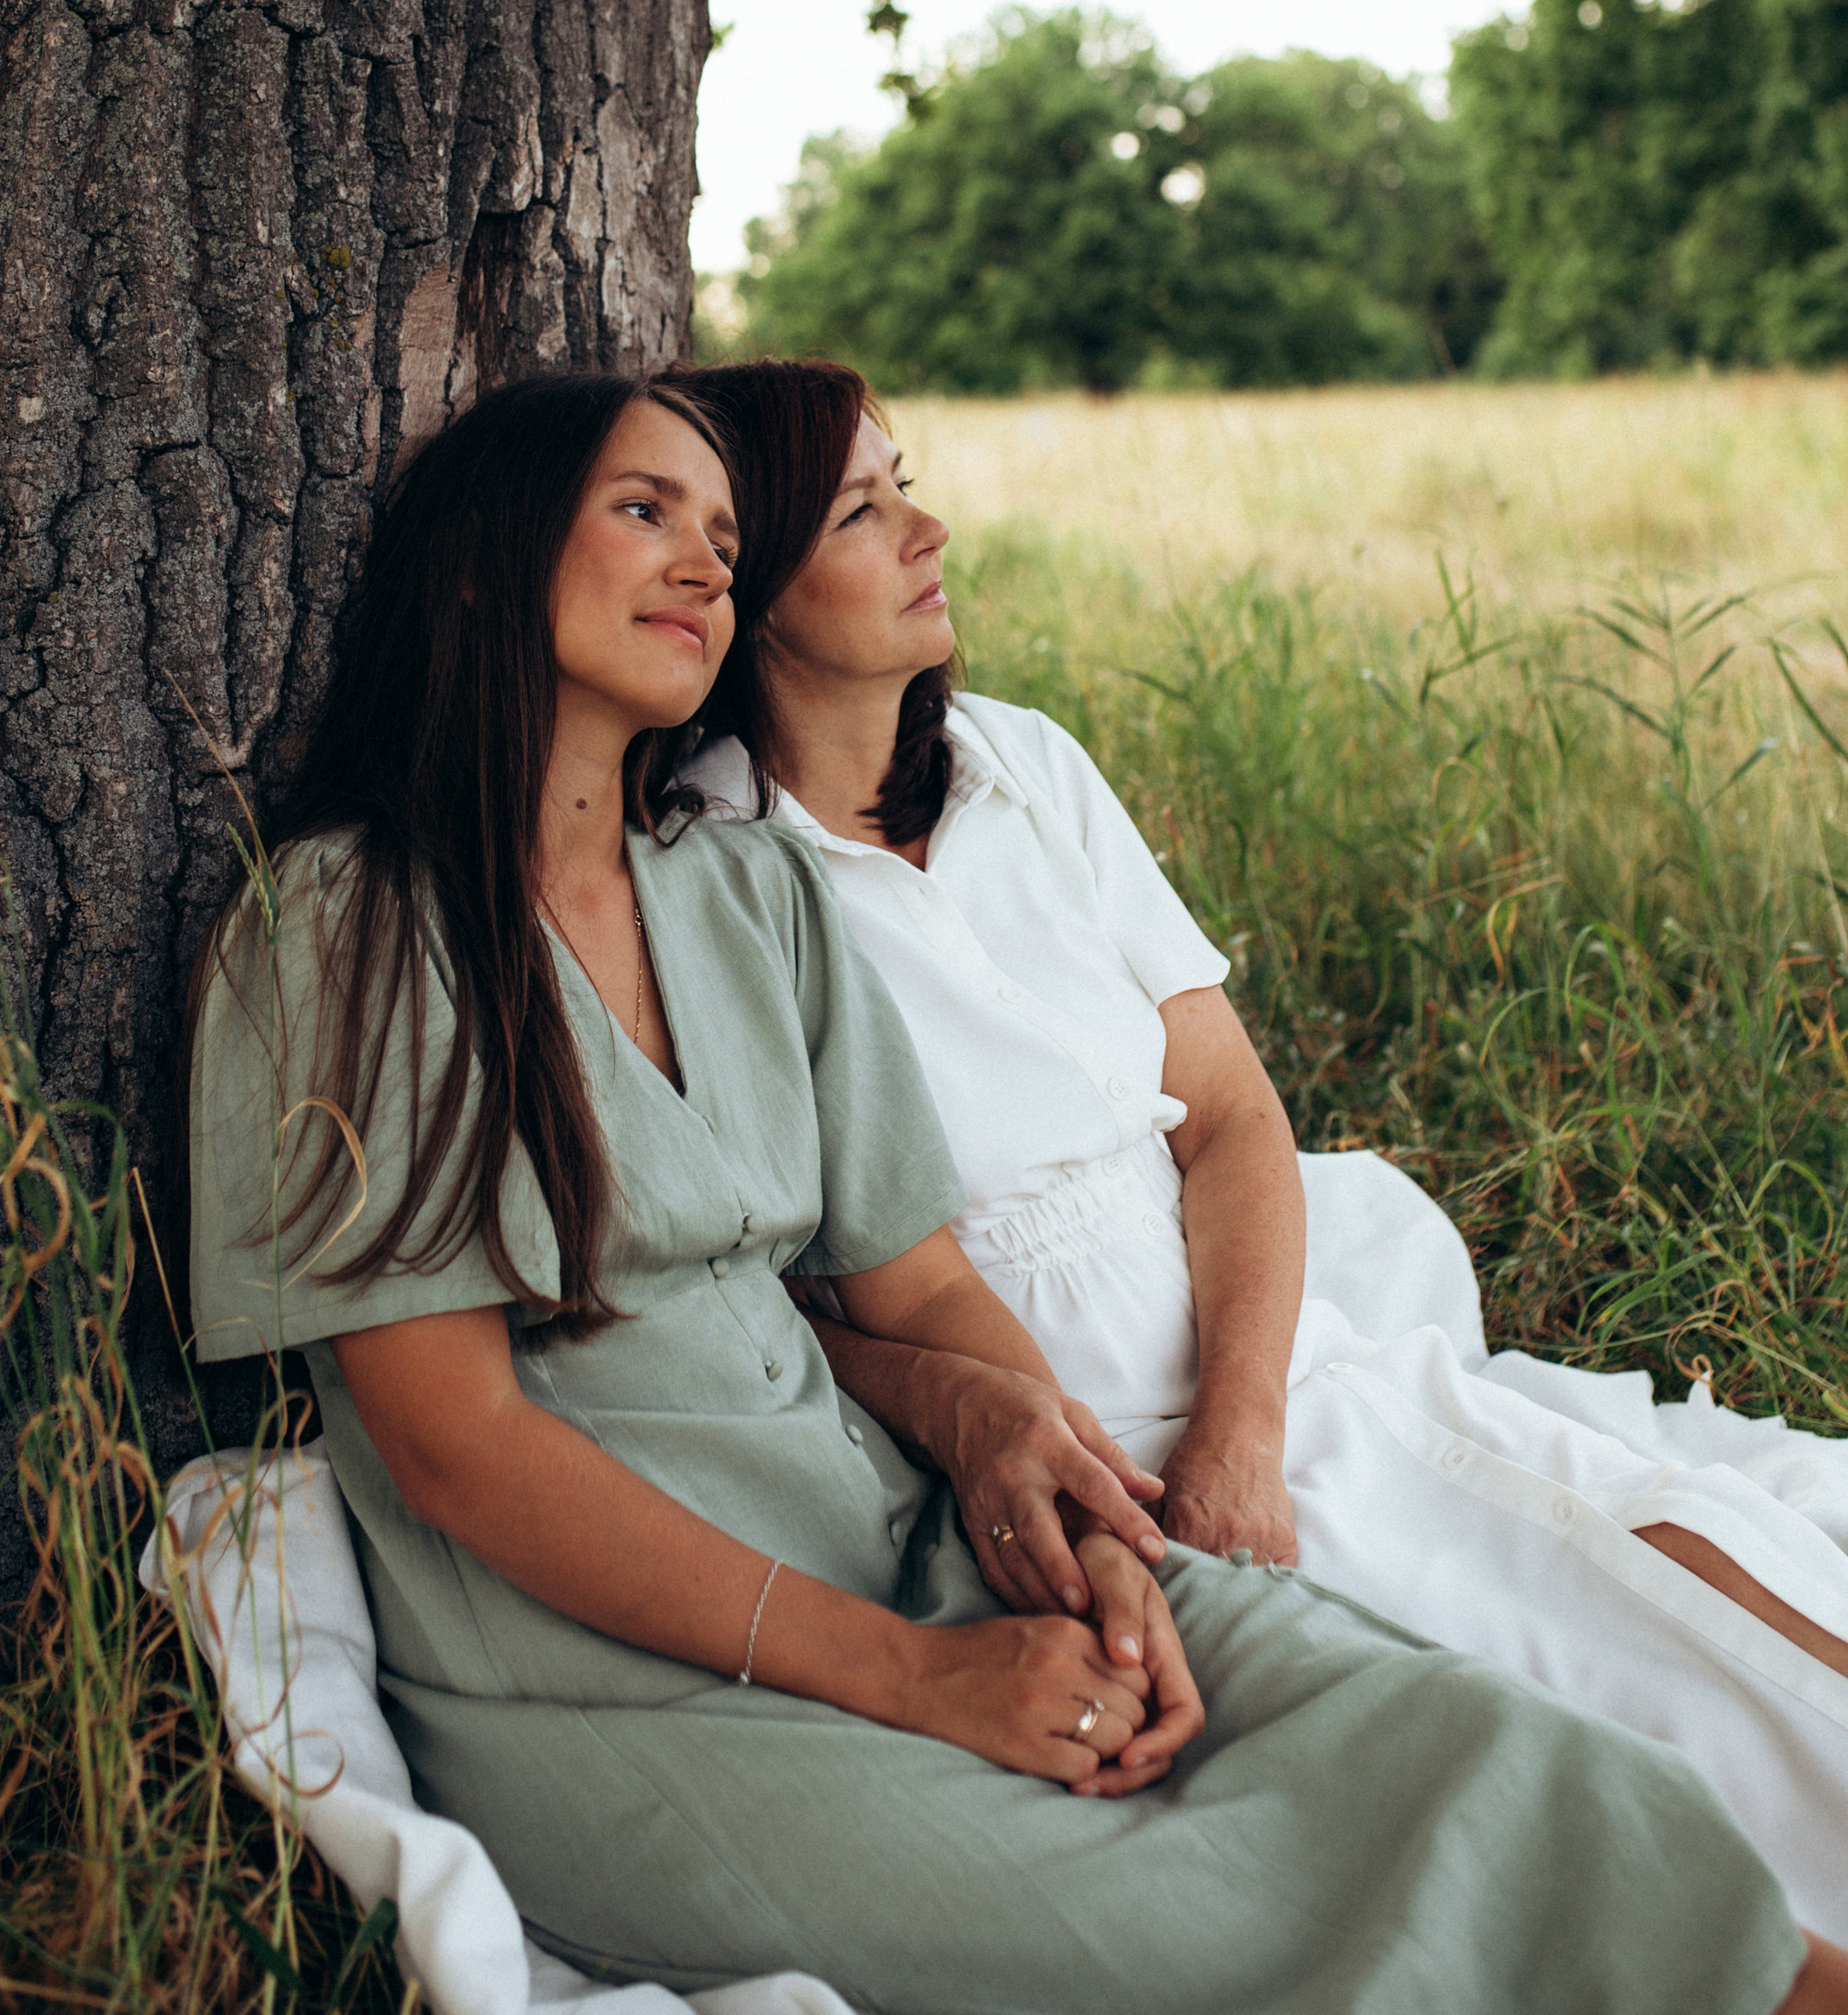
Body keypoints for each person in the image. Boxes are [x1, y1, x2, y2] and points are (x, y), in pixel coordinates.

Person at [183, 375, 1830, 2014]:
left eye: (723, 533)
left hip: (905, 1537)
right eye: (642, 511)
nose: (700, 562)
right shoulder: (345, 931)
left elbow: (915, 1292)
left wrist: (1099, 1534)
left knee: (1488, 1751)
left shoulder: (741, 892)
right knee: (1226, 1920)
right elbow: (454, 1445)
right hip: (626, 1684)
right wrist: (917, 1677)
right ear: (478, 563)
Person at [686, 355, 1848, 1949]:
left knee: (1686, 1564)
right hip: (1050, 1424)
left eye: (911, 482)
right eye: (862, 509)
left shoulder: (1025, 766)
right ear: (744, 594)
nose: (928, 527)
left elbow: (1229, 1120)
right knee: (1576, 1703)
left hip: (1255, 1353)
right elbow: (777, 1293)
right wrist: (1094, 1463)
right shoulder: (708, 877)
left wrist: (1244, 1423)